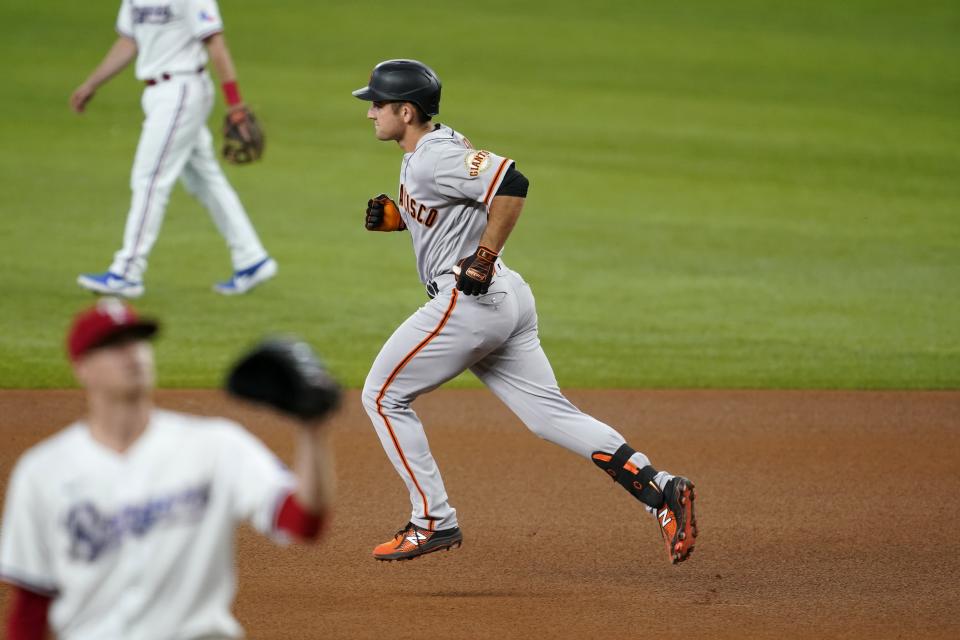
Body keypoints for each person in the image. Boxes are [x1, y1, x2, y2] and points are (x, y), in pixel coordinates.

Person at [352, 59, 698, 564]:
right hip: (507, 303)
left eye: (377, 105)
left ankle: (432, 520)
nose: (370, 114)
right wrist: (404, 219)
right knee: (550, 417)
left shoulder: (432, 158)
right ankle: (661, 489)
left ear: (405, 111)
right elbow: (458, 205)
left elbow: (512, 183)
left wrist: (484, 257)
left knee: (382, 396)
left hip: (469, 303)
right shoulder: (433, 147)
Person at [0, 298, 334, 639]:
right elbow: (30, 609)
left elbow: (303, 520)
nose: (132, 353)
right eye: (113, 345)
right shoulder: (42, 472)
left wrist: (312, 431)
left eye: (138, 340)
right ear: (82, 368)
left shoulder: (216, 445)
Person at [70, 0, 277, 298]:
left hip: (182, 91)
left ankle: (128, 271)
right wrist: (92, 84)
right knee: (204, 180)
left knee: (150, 179)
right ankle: (252, 258)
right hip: (158, 94)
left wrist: (235, 104)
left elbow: (215, 41)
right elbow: (129, 41)